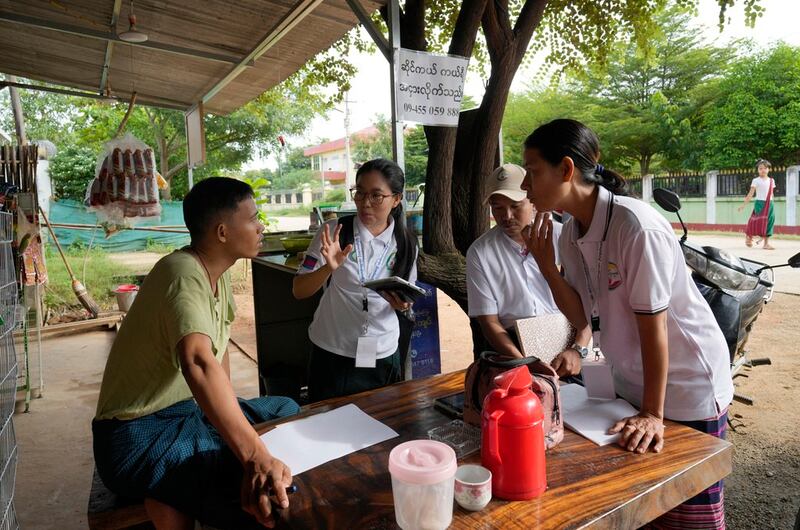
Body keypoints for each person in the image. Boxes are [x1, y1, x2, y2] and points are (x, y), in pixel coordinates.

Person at [521, 119, 733, 529]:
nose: (526, 187)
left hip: (685, 384)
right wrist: (548, 267)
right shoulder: (569, 234)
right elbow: (584, 316)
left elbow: (653, 328)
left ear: (565, 170)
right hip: (634, 385)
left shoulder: (635, 227)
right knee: (643, 506)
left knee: (689, 514)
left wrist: (653, 413)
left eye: (532, 172)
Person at [93, 177, 300, 530]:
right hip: (135, 434)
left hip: (187, 413)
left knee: (285, 408)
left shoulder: (217, 277)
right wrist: (253, 454)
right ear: (222, 232)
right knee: (244, 482)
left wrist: (230, 423)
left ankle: (186, 485)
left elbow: (218, 361)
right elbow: (198, 362)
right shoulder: (182, 273)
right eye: (252, 218)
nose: (261, 226)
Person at [293, 158, 418, 402]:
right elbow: (299, 290)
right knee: (327, 425)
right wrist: (328, 269)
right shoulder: (333, 232)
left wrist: (402, 304)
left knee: (380, 425)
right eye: (359, 193)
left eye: (376, 196)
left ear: (396, 199)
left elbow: (407, 297)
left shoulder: (406, 243)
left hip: (383, 351)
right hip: (332, 350)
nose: (365, 203)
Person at [466, 163, 585, 377]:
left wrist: (578, 349)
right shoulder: (480, 252)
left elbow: (589, 303)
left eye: (515, 205)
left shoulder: (565, 237)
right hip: (513, 347)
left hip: (570, 340)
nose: (506, 215)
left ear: (534, 202)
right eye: (498, 207)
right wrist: (522, 362)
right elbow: (489, 322)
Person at [738, 158, 777, 250]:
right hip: (759, 203)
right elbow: (751, 194)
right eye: (760, 168)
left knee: (769, 223)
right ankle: (749, 236)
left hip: (770, 204)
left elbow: (772, 193)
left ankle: (766, 244)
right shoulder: (756, 180)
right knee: (755, 221)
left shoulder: (772, 180)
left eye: (765, 168)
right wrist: (743, 205)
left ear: (768, 169)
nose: (763, 170)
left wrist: (772, 203)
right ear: (758, 170)